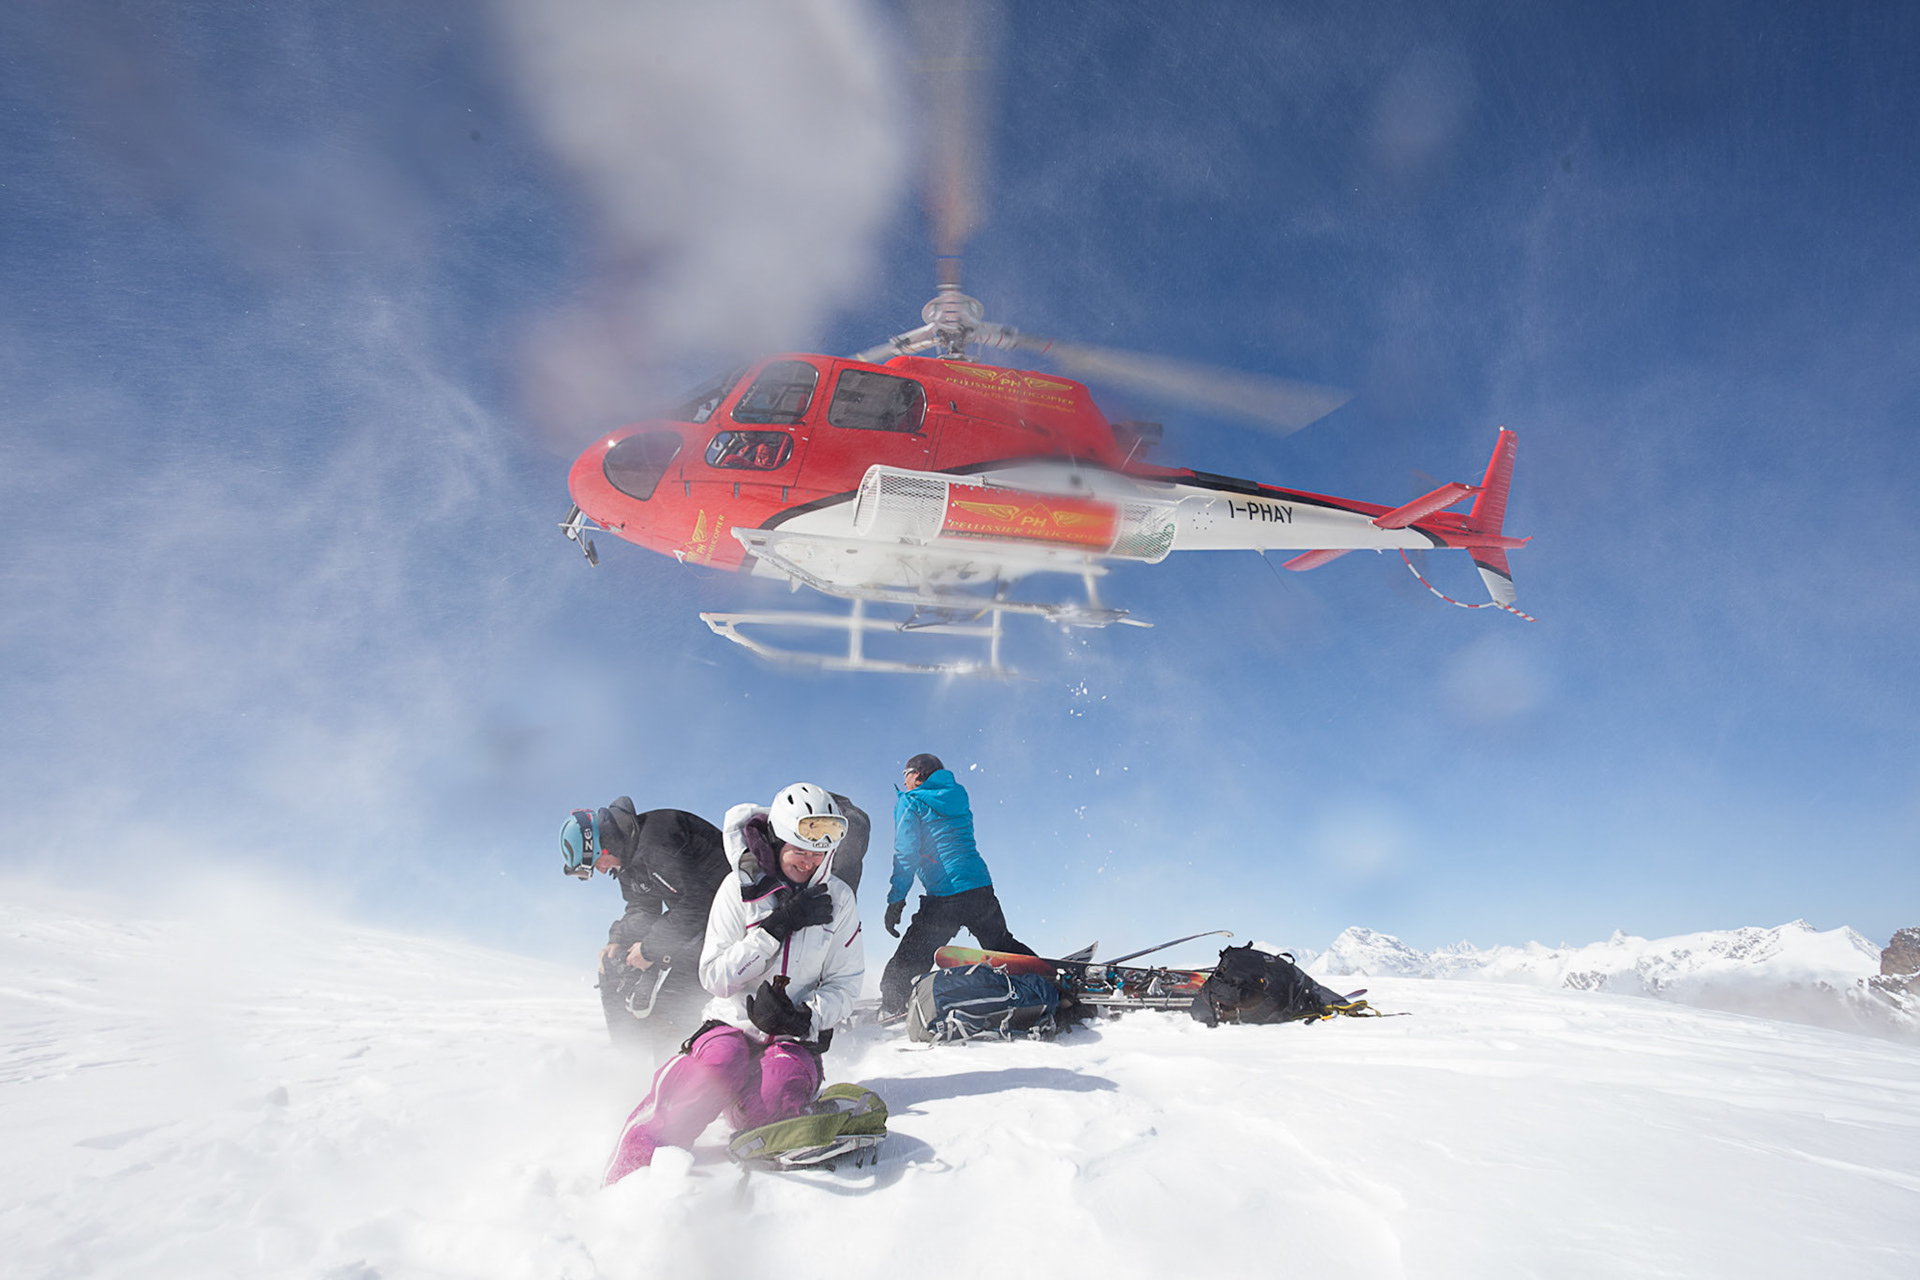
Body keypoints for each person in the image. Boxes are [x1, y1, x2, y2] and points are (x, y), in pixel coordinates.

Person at [604, 783, 864, 1182]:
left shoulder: (839, 899)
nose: (810, 862)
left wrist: (805, 1017)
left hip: (792, 1037)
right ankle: (639, 1153)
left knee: (776, 1096)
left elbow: (845, 983)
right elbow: (713, 976)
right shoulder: (736, 888)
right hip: (731, 1023)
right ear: (778, 838)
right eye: (800, 850)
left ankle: (747, 1101)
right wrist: (775, 928)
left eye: (819, 853)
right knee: (716, 1068)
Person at [559, 798, 729, 1055]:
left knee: (670, 1007)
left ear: (603, 844)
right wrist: (618, 940)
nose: (601, 871)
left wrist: (651, 950)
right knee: (614, 966)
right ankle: (630, 1057)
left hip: (730, 924)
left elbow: (698, 904)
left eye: (595, 863)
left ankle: (681, 1070)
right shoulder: (627, 857)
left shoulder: (657, 842)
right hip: (699, 923)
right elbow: (642, 906)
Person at [878, 753, 1035, 1018]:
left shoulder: (910, 802)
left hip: (945, 896)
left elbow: (906, 855)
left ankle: (892, 1004)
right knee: (1001, 945)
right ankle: (1044, 976)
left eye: (906, 773)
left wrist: (896, 900)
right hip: (980, 888)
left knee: (912, 954)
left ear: (918, 774)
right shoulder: (958, 796)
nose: (903, 780)